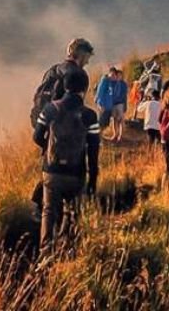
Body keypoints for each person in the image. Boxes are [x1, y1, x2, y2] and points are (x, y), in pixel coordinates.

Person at [33, 70, 100, 250]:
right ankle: (67, 250)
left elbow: (37, 136)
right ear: (84, 89)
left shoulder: (50, 109)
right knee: (73, 213)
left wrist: (48, 149)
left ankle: (46, 252)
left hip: (52, 171)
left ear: (64, 86)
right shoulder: (90, 116)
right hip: (76, 173)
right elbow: (94, 152)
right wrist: (93, 180)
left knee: (49, 211)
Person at [29, 38, 94, 218]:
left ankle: (40, 207)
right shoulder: (78, 75)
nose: (88, 61)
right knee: (67, 166)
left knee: (50, 164)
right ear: (80, 54)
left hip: (45, 123)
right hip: (65, 127)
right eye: (87, 57)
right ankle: (58, 212)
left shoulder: (53, 70)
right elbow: (76, 105)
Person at [95, 67, 128, 141]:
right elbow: (100, 93)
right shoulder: (105, 81)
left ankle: (101, 137)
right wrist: (100, 103)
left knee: (105, 123)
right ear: (109, 73)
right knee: (102, 122)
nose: (113, 76)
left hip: (110, 106)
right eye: (112, 74)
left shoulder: (112, 82)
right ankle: (98, 138)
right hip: (104, 106)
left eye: (114, 75)